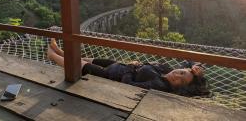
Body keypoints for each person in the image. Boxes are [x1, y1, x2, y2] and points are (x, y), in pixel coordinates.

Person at [47, 39, 210, 97]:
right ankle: (60, 51)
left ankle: (52, 55)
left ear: (179, 88)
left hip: (110, 77)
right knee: (85, 58)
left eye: (181, 81)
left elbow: (129, 87)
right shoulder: (166, 70)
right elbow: (188, 61)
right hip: (118, 65)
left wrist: (130, 69)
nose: (178, 76)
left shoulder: (159, 85)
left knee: (80, 65)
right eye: (181, 72)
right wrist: (195, 67)